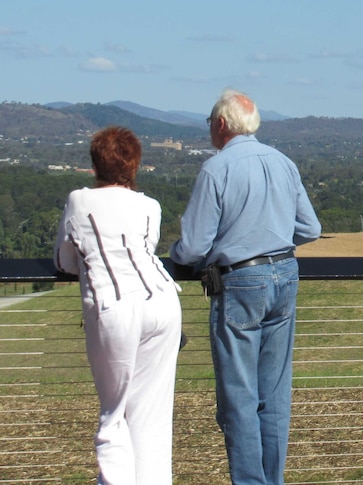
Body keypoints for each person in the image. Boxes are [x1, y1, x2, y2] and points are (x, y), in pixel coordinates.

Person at [170, 89, 321, 484]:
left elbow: (193, 247)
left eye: (209, 123)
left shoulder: (216, 169)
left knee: (238, 398)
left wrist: (177, 254)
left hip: (239, 282)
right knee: (273, 396)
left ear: (220, 124)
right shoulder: (284, 162)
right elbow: (310, 229)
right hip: (285, 274)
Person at [54, 126, 183, 484]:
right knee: (152, 415)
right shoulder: (149, 206)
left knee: (114, 414)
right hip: (162, 302)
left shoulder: (79, 200)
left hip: (114, 307)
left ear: (95, 165)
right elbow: (147, 247)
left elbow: (64, 260)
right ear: (135, 165)